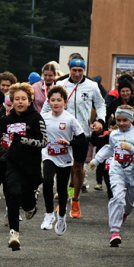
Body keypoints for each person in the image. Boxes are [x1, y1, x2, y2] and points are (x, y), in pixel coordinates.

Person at [41, 57, 106, 219]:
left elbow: (100, 104)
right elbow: (46, 107)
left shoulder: (92, 86)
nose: (77, 73)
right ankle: (64, 197)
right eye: (74, 70)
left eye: (80, 71)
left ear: (84, 71)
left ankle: (75, 199)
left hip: (81, 134)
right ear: (69, 69)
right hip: (61, 134)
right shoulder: (60, 85)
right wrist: (42, 124)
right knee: (60, 166)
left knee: (78, 167)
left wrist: (100, 121)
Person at [0, 83, 47, 251]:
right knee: (12, 193)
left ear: (30, 101)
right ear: (12, 101)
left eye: (23, 99)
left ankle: (31, 205)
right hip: (13, 164)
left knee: (27, 201)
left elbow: (43, 141)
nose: (20, 102)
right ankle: (14, 233)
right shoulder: (8, 119)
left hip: (31, 167)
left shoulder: (36, 118)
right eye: (16, 99)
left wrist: (21, 139)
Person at [90, 105, 134, 247]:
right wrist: (96, 160)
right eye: (118, 120)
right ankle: (114, 232)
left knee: (129, 205)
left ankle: (124, 214)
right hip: (117, 171)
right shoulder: (114, 134)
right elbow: (110, 149)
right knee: (117, 198)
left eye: (125, 120)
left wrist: (131, 149)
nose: (121, 123)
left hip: (133, 174)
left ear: (131, 119)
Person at [40, 86, 85, 235]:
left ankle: (61, 217)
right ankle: (48, 214)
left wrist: (69, 143)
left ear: (65, 102)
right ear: (49, 102)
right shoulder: (44, 117)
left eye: (59, 100)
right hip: (49, 155)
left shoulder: (70, 119)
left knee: (61, 189)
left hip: (65, 158)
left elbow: (82, 139)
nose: (56, 103)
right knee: (47, 181)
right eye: (53, 100)